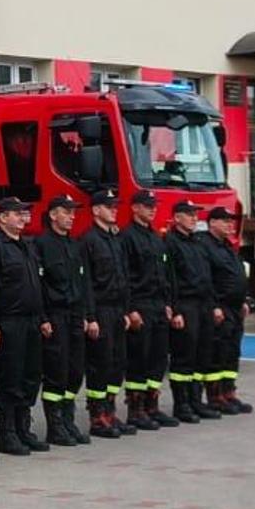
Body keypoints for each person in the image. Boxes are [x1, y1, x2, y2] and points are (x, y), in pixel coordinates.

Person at [0, 196, 48, 455]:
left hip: (32, 321)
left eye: (25, 213)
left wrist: (42, 318)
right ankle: (7, 434)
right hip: (9, 322)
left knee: (30, 376)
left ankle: (23, 428)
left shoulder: (27, 246)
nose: (23, 217)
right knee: (10, 378)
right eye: (17, 214)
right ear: (2, 218)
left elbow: (37, 286)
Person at [81, 188, 140, 438]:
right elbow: (87, 284)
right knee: (100, 364)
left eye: (115, 206)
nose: (114, 210)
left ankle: (111, 411)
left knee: (117, 363)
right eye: (109, 206)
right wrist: (91, 317)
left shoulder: (116, 239)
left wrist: (127, 310)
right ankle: (97, 416)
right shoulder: (88, 241)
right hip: (101, 310)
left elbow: (124, 277)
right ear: (96, 210)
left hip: (117, 311)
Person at [33, 196, 91, 447]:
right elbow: (40, 285)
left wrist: (88, 315)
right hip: (55, 315)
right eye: (66, 212)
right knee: (56, 371)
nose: (72, 216)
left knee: (75, 370)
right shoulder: (42, 244)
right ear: (53, 215)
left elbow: (83, 283)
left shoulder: (74, 244)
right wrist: (43, 318)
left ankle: (68, 420)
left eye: (73, 213)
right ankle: (55, 426)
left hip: (75, 315)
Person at [119, 191, 179, 430]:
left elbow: (164, 274)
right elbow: (126, 276)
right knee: (139, 359)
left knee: (157, 359)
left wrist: (167, 304)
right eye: (147, 206)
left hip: (157, 305)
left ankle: (152, 406)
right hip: (140, 304)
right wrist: (131, 308)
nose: (152, 209)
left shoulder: (155, 237)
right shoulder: (127, 237)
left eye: (154, 206)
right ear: (135, 208)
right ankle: (136, 410)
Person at [164, 200, 222, 421]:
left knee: (202, 355)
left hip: (203, 304)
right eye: (189, 214)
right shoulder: (170, 242)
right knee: (183, 356)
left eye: (195, 214)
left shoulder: (198, 242)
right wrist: (176, 309)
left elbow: (208, 276)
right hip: (186, 304)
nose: (194, 218)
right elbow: (170, 279)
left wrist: (214, 304)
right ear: (177, 218)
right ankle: (182, 404)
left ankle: (196, 401)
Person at [196, 207, 253, 412]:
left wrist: (245, 299)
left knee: (232, 351)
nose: (230, 225)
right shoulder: (205, 246)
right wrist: (214, 306)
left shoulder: (228, 246)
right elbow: (206, 279)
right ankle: (215, 395)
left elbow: (237, 275)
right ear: (212, 223)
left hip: (235, 307)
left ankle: (229, 392)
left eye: (231, 221)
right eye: (225, 221)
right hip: (221, 307)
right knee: (217, 351)